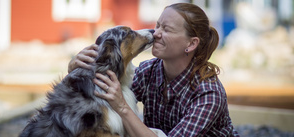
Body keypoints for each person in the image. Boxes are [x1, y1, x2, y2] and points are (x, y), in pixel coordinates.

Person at [68, 3, 239, 137]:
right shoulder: (148, 71)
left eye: (166, 29)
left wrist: (122, 107)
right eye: (158, 25)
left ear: (191, 44)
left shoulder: (208, 93)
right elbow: (99, 96)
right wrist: (75, 69)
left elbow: (119, 104)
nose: (155, 33)